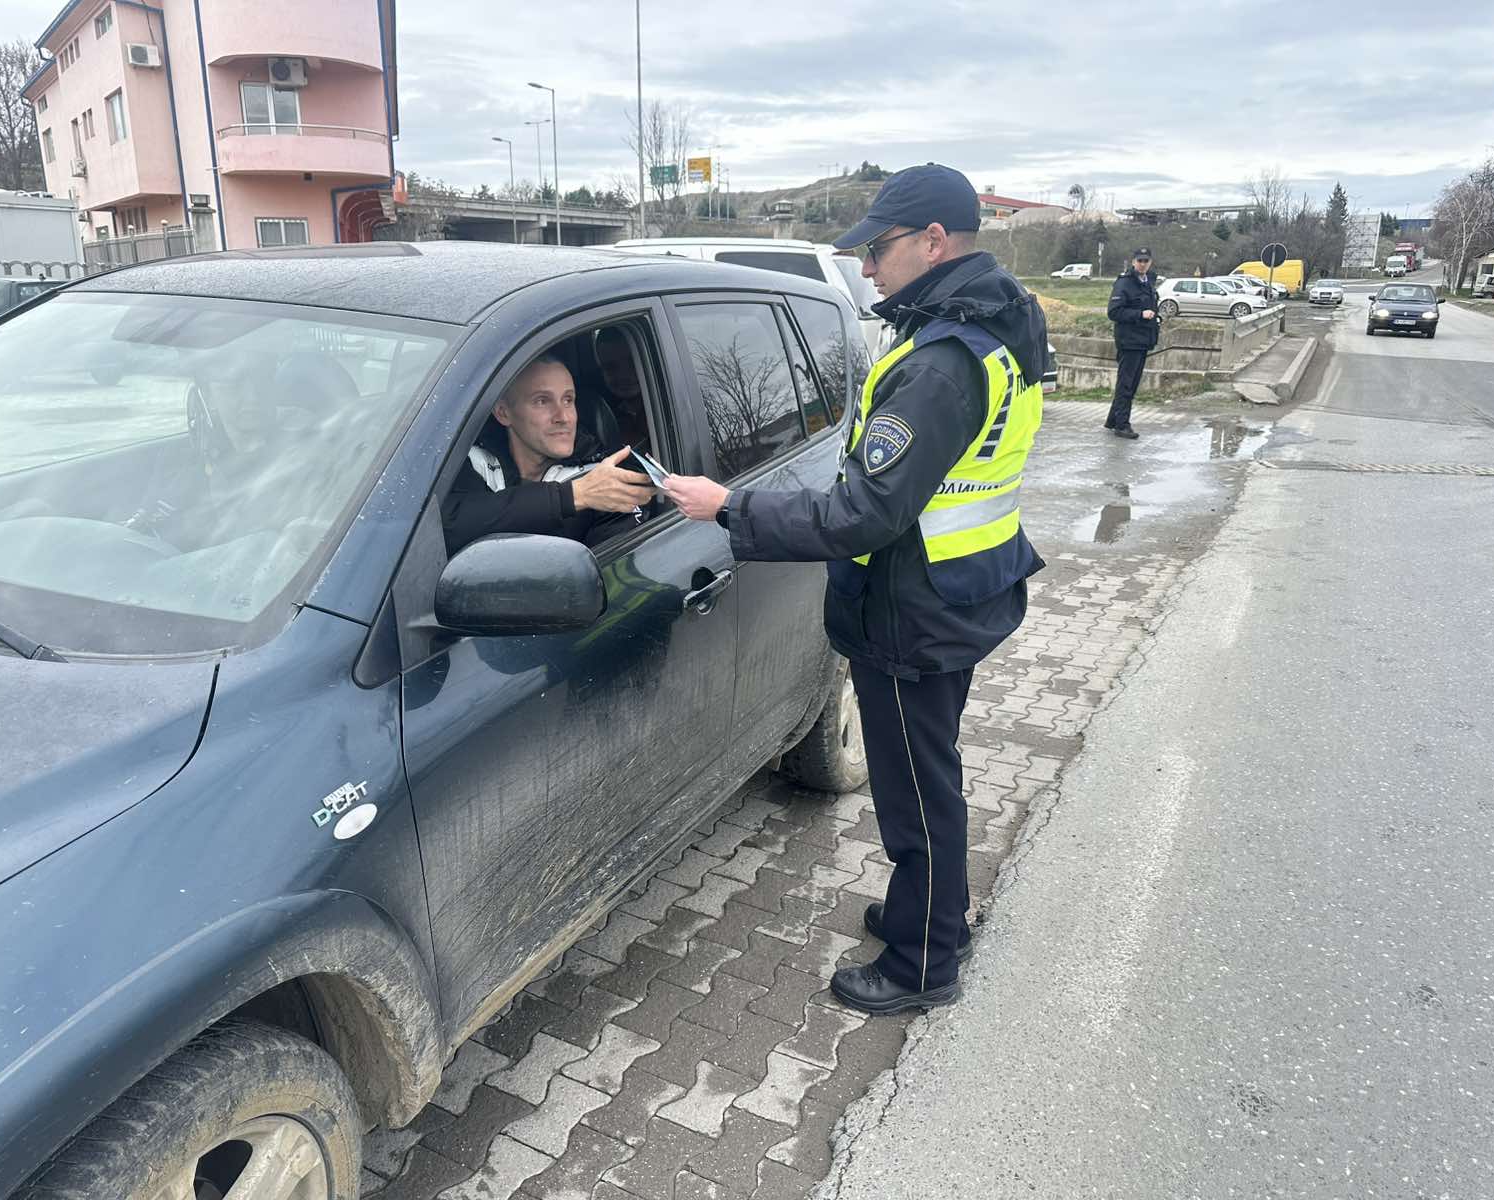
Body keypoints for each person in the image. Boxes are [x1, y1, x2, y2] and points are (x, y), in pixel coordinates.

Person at [663, 164, 1048, 1015]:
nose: (866, 269)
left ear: (934, 242)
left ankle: (923, 963)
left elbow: (862, 515)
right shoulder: (984, 323)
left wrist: (730, 506)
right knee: (927, 776)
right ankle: (931, 912)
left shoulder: (942, 364)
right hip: (953, 592)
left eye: (877, 250)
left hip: (915, 613)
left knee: (916, 790)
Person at [441, 355, 655, 555]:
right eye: (542, 401)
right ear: (503, 413)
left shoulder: (606, 480)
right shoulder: (469, 461)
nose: (563, 417)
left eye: (568, 400)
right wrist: (572, 496)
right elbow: (447, 527)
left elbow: (603, 579)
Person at [1105, 247, 1159, 439]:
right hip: (1129, 341)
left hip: (1143, 340)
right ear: (1133, 262)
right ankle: (1122, 425)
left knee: (1131, 383)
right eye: (1140, 261)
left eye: (1146, 261)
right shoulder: (1124, 284)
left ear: (1150, 262)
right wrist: (1139, 314)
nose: (1143, 264)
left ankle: (1113, 419)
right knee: (1126, 385)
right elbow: (1113, 312)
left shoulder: (1149, 281)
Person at [591, 327, 652, 453]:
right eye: (611, 367)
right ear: (601, 371)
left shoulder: (668, 412)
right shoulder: (602, 421)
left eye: (633, 363)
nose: (624, 375)